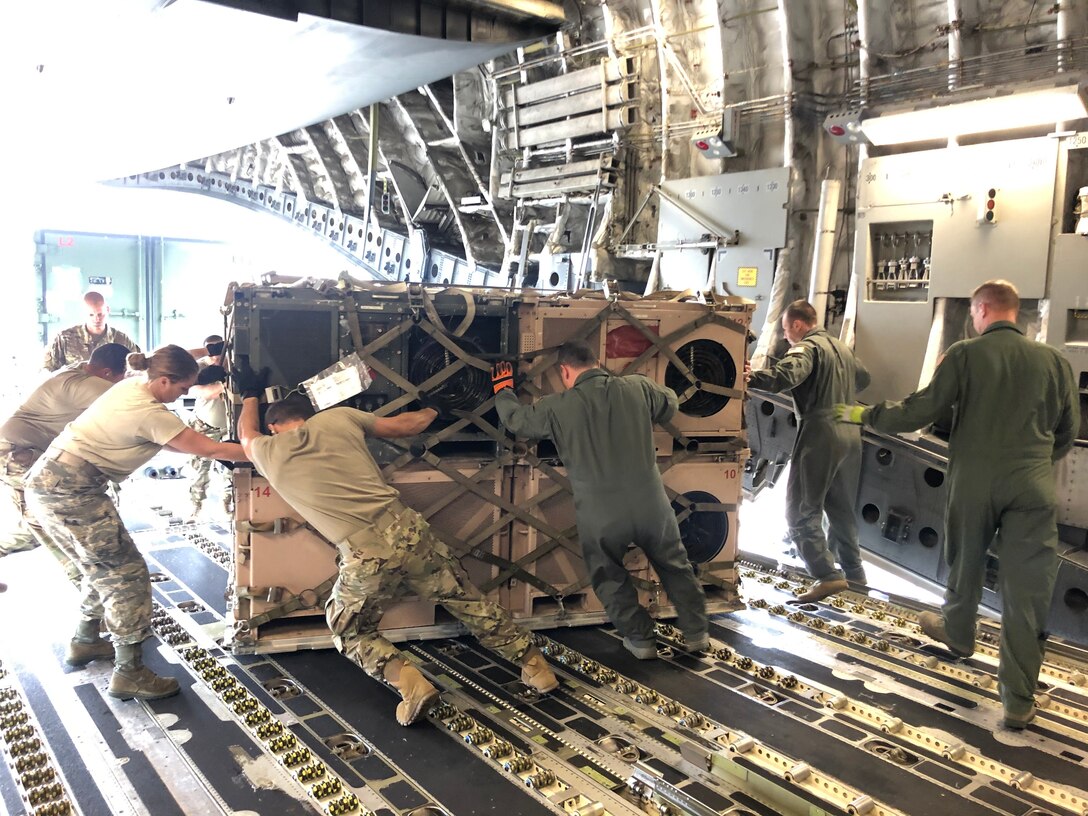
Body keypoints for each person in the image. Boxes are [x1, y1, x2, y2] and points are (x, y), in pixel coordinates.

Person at [235, 378, 559, 727]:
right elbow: (409, 425)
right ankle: (536, 667)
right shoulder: (339, 418)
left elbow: (243, 435)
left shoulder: (269, 451)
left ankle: (412, 684)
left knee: (349, 630)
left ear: (274, 427)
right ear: (310, 413)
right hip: (408, 530)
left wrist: (249, 392)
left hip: (366, 553)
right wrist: (436, 407)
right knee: (466, 600)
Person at [836, 280, 1078, 730]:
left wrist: (863, 415)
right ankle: (1018, 701)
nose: (971, 318)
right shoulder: (1054, 362)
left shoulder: (966, 354)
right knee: (1026, 592)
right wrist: (1033, 462)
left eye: (972, 311)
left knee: (965, 559)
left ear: (983, 309)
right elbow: (1066, 431)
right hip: (1033, 484)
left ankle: (959, 631)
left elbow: (920, 411)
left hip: (975, 480)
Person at [25, 345, 247, 700]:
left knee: (99, 568)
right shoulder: (149, 412)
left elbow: (175, 444)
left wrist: (206, 352)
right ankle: (129, 673)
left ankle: (85, 641)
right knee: (126, 577)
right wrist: (267, 450)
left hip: (51, 483)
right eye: (182, 387)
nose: (185, 394)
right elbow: (210, 449)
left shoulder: (131, 387)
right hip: (73, 490)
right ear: (163, 380)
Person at [492, 340, 709, 660]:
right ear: (596, 362)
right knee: (675, 565)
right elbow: (671, 404)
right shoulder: (637, 388)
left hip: (601, 514)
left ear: (565, 371)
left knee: (607, 574)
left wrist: (503, 390)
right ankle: (696, 634)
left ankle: (641, 641)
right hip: (652, 505)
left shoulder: (556, 406)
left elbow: (517, 421)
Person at [745, 300, 871, 603]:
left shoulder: (808, 348)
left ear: (799, 325)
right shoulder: (841, 348)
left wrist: (752, 376)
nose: (787, 337)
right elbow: (864, 378)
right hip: (850, 431)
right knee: (840, 510)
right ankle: (855, 575)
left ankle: (826, 575)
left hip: (821, 431)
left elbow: (786, 375)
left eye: (787, 331)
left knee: (800, 510)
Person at [1, 343, 129, 583]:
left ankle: (86, 580)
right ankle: (83, 579)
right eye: (119, 378)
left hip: (23, 452)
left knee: (37, 522)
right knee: (48, 517)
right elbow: (134, 400)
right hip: (15, 453)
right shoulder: (86, 384)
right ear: (108, 374)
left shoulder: (80, 371)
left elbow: (141, 372)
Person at [43, 291, 141, 372]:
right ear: (83, 312)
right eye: (91, 315)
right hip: (75, 392)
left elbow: (139, 368)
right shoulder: (65, 339)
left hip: (109, 392)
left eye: (100, 314)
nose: (96, 319)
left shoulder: (121, 340)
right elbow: (48, 371)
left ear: (107, 310)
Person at [187, 335, 230, 519]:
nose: (214, 356)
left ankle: (229, 503)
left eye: (217, 350)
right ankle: (196, 506)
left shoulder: (232, 363)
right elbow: (206, 392)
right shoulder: (199, 369)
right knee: (200, 470)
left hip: (229, 427)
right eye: (210, 351)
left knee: (231, 471)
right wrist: (226, 383)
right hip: (206, 427)